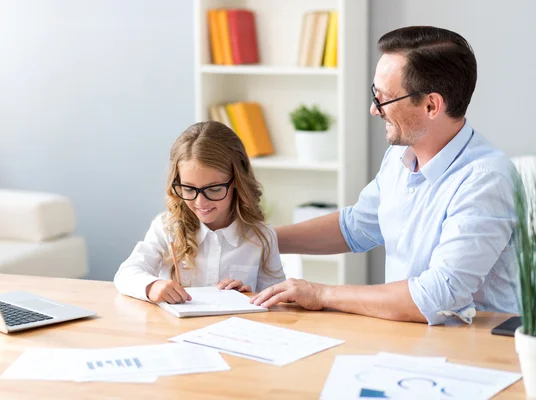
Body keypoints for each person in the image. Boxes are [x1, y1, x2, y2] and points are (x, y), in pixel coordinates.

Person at [251, 26, 519, 325]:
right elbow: (356, 227)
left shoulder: (486, 179)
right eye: (374, 94)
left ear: (432, 105)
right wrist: (261, 240)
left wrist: (321, 294)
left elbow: (438, 297)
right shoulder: (399, 156)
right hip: (406, 335)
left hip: (472, 348)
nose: (373, 109)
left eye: (384, 99)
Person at [114, 121, 285, 304]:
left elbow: (279, 301)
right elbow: (126, 274)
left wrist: (251, 296)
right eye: (188, 189)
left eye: (214, 189)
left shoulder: (261, 237)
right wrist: (152, 286)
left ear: (237, 182)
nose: (200, 202)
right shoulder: (168, 228)